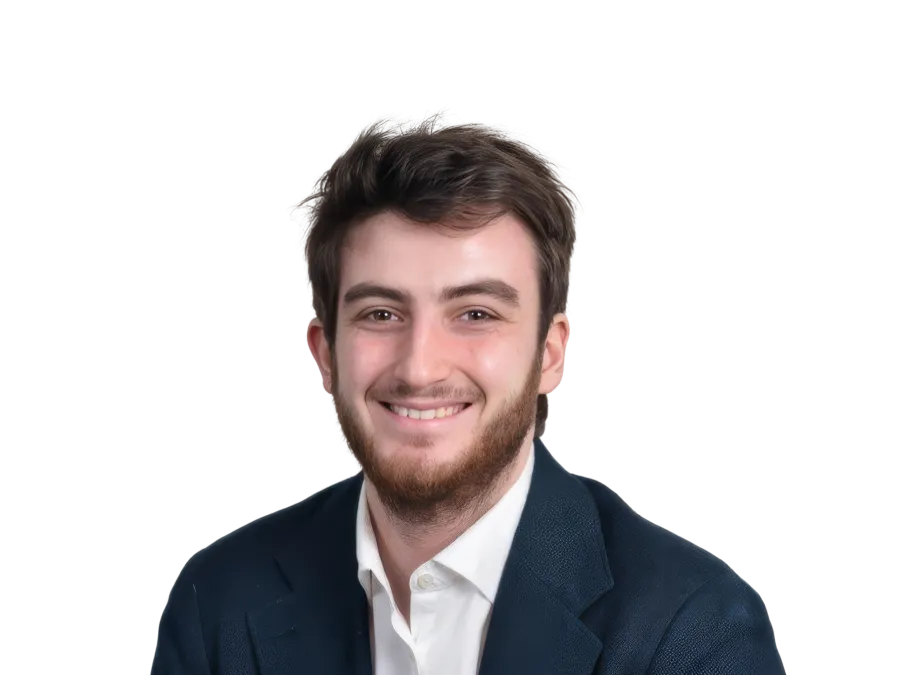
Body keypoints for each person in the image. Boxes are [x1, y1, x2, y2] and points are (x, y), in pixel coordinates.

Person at [151, 109, 783, 674]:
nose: (420, 368)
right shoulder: (219, 605)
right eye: (380, 313)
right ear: (324, 353)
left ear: (550, 354)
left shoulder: (693, 631)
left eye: (476, 313)